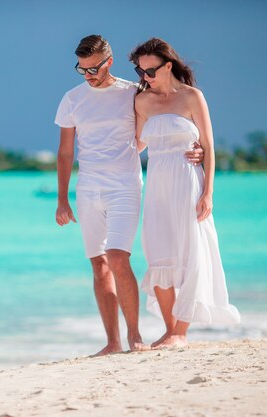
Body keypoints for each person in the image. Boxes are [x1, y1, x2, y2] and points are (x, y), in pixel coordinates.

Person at [54, 34, 204, 354]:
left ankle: (135, 335)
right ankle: (112, 342)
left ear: (109, 62)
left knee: (118, 257)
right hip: (88, 188)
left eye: (94, 69)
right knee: (99, 264)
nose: (89, 76)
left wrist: (193, 147)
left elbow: (163, 118)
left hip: (124, 186)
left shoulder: (133, 93)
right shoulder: (71, 99)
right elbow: (66, 153)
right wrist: (62, 198)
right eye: (82, 70)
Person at [130, 38, 241, 348]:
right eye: (140, 71)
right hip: (156, 183)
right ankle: (169, 330)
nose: (145, 77)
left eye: (150, 70)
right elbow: (137, 145)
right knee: (158, 253)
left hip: (188, 180)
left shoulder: (193, 97)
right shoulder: (142, 101)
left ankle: (181, 332)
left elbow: (209, 146)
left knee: (191, 253)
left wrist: (209, 193)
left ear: (168, 66)